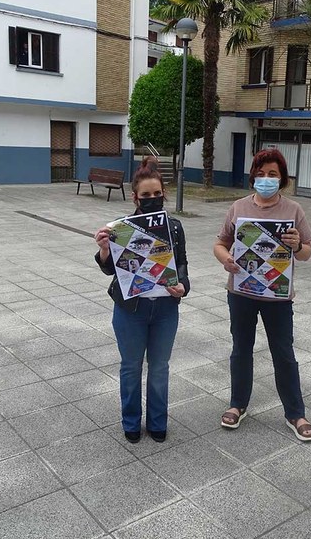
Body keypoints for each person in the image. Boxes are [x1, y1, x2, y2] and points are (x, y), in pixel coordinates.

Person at [213, 148, 311, 441]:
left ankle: (295, 413)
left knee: (283, 353)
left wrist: (297, 246)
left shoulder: (294, 211)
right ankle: (238, 404)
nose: (266, 179)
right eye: (261, 174)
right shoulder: (238, 207)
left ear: (282, 178)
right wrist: (225, 259)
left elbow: (307, 252)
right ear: (253, 177)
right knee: (240, 350)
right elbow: (220, 243)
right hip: (241, 292)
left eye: (273, 174)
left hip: (278, 297)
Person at [94, 157, 190, 444]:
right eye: (145, 195)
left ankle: (158, 422)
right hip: (129, 309)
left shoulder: (173, 227)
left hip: (164, 308)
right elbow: (109, 268)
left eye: (156, 194)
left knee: (160, 367)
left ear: (163, 194)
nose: (151, 199)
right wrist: (103, 249)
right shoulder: (120, 228)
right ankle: (131, 422)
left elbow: (182, 264)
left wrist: (183, 286)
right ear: (135, 197)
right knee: (131, 366)